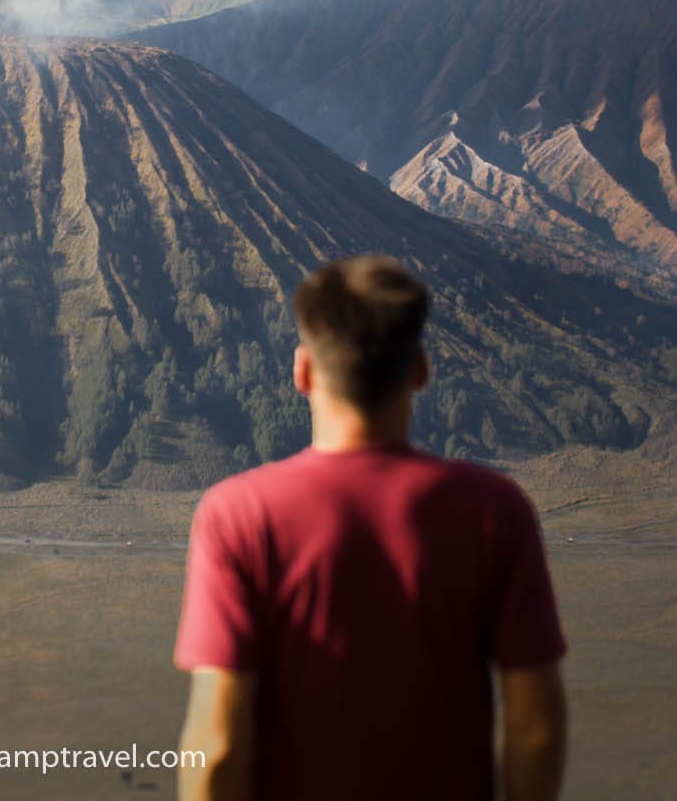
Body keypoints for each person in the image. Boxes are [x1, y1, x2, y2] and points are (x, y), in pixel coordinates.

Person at [174, 254, 567, 801]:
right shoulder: (494, 511)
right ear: (421, 371)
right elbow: (536, 730)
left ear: (303, 371)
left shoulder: (238, 514)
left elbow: (216, 746)